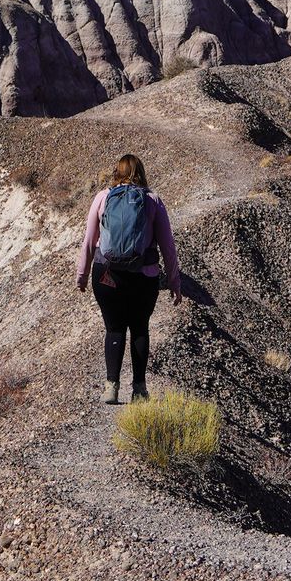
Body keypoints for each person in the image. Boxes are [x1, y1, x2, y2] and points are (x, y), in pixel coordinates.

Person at [76, 153, 182, 404]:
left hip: (106, 275)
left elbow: (89, 242)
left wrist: (82, 275)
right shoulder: (152, 200)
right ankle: (139, 390)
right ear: (141, 172)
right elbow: (168, 247)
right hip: (142, 278)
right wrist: (175, 282)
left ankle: (111, 388)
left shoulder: (102, 197)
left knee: (114, 329)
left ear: (117, 172)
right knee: (139, 329)